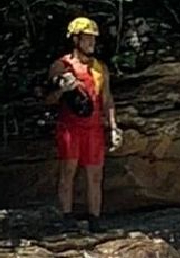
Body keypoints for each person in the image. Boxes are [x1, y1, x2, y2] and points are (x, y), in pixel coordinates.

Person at [43, 16, 122, 231]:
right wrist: (62, 90)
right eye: (87, 39)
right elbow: (48, 99)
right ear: (76, 40)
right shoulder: (61, 66)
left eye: (93, 40)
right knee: (68, 172)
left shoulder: (100, 68)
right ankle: (66, 218)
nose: (91, 44)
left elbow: (107, 99)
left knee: (95, 175)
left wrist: (113, 126)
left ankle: (94, 220)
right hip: (70, 128)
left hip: (94, 129)